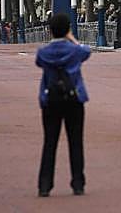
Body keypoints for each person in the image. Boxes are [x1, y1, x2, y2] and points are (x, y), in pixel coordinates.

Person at [36, 12, 91, 197]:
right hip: (74, 98)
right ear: (68, 29)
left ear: (50, 31)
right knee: (75, 142)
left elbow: (39, 62)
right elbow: (86, 51)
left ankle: (45, 184)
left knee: (50, 142)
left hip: (51, 98)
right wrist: (71, 38)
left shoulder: (43, 53)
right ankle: (77, 183)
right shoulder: (75, 51)